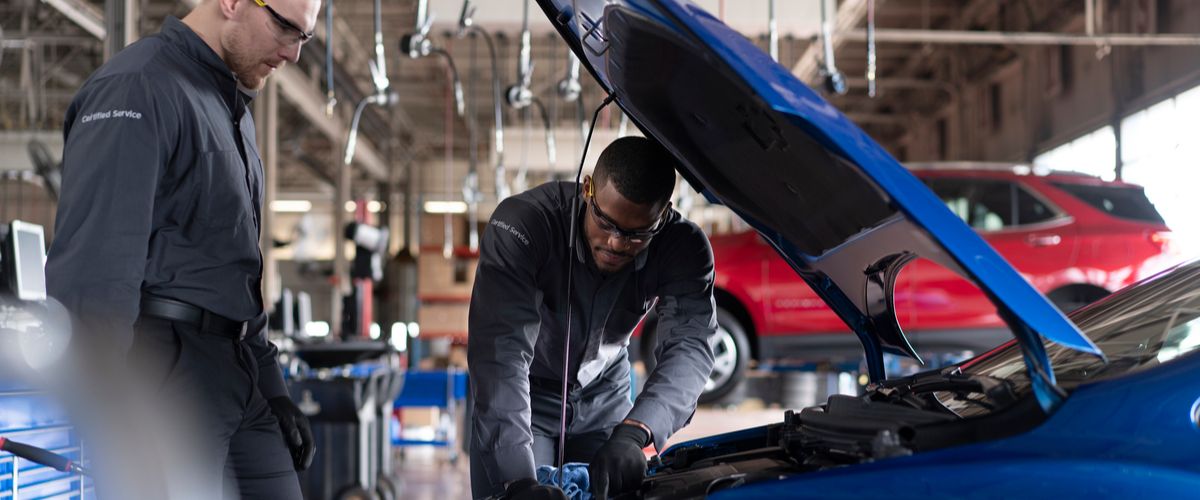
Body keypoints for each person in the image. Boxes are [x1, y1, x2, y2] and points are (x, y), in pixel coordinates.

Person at [46, 0, 319, 497]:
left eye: (305, 37)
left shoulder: (232, 110)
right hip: (164, 375)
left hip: (239, 373)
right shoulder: (139, 87)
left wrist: (275, 389)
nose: (294, 53)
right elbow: (95, 275)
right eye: (285, 27)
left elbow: (238, 273)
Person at [468, 136, 718, 499]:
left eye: (636, 234)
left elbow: (690, 346)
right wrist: (518, 480)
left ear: (662, 216)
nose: (616, 243)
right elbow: (500, 355)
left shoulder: (684, 248)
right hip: (524, 398)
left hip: (605, 397)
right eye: (606, 222)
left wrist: (637, 430)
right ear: (588, 190)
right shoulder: (524, 226)